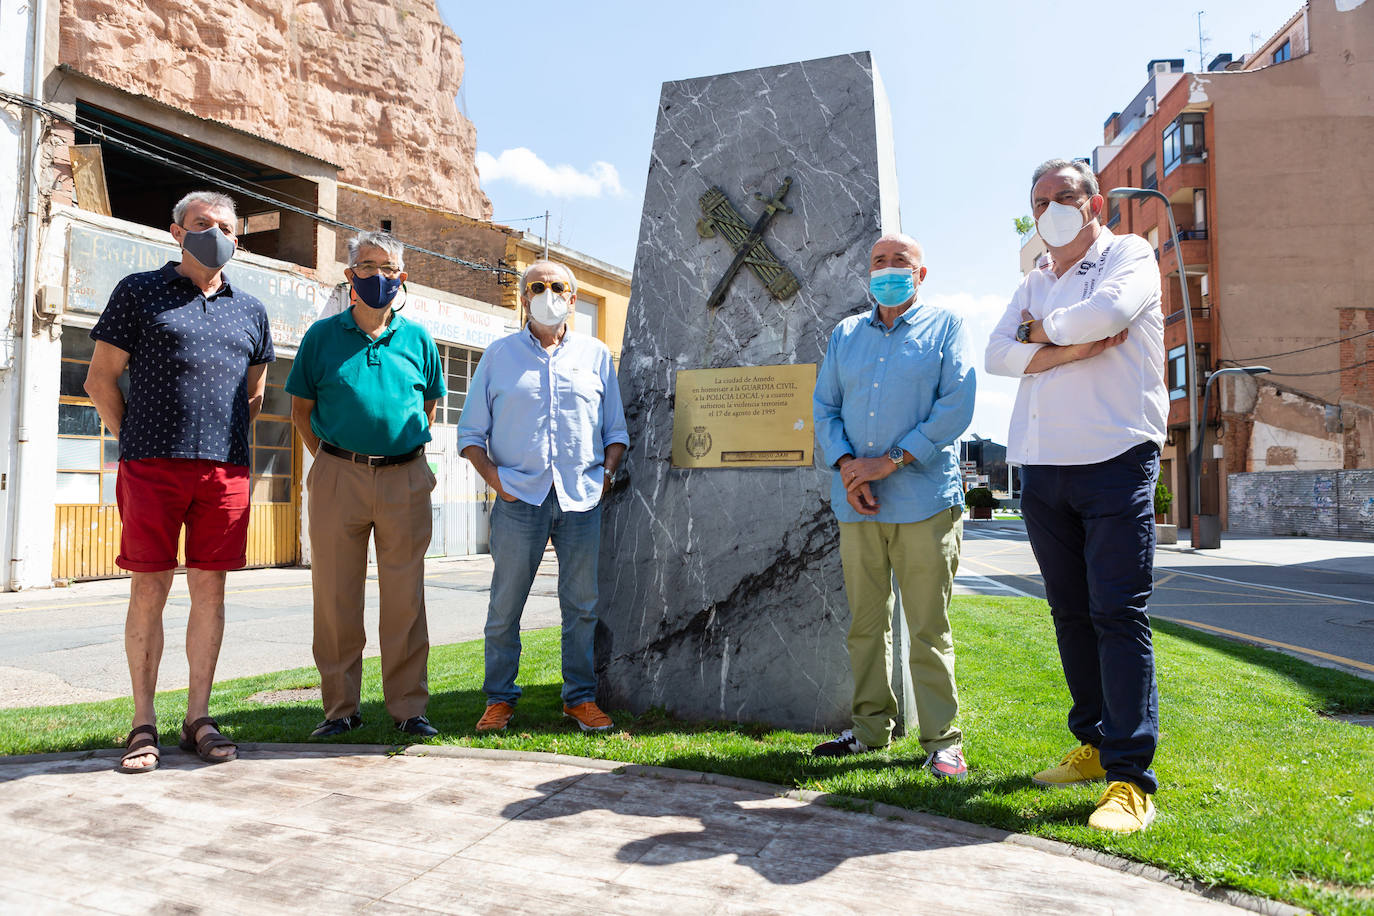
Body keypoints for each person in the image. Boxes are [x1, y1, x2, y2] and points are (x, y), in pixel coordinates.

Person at [984, 158, 1167, 834]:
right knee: (1070, 615)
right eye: (1041, 200)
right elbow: (994, 354)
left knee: (1117, 613)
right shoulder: (1034, 278)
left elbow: (1111, 312)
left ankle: (1130, 781)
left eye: (1066, 195)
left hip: (1114, 456)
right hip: (1041, 466)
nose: (1054, 207)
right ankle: (1092, 746)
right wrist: (1060, 347)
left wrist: (1039, 332)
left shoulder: (1129, 252)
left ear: (1093, 203)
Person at [84, 190, 274, 772]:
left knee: (210, 593)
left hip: (224, 472)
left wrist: (223, 447)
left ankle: (199, 719)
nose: (211, 232)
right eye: (200, 223)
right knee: (149, 589)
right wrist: (134, 442)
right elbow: (100, 381)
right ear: (175, 231)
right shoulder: (138, 292)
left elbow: (255, 394)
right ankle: (143, 723)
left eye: (223, 226)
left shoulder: (252, 310)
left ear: (236, 239)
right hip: (152, 466)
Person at [811, 233, 976, 779]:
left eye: (899, 262)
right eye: (878, 261)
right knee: (865, 623)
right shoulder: (846, 334)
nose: (887, 270)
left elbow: (957, 405)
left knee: (928, 628)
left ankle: (942, 741)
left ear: (920, 275)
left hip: (924, 502)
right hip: (857, 503)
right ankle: (869, 729)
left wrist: (891, 461)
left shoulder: (946, 328)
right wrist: (848, 468)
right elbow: (826, 407)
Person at [457, 260, 628, 734]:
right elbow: (471, 433)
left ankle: (579, 698)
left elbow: (615, 430)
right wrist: (497, 481)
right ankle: (499, 700)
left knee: (582, 607)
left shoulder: (596, 356)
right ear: (523, 297)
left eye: (557, 287)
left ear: (573, 299)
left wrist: (607, 475)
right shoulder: (498, 356)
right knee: (505, 607)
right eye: (536, 286)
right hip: (519, 500)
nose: (547, 292)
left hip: (580, 501)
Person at [286, 231, 444, 739]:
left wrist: (401, 457)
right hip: (338, 475)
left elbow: (429, 406)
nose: (380, 275)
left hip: (405, 477)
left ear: (403, 277)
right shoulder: (321, 336)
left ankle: (408, 709)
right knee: (334, 598)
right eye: (369, 265)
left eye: (389, 267)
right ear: (350, 275)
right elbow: (300, 411)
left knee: (405, 597)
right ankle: (339, 710)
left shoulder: (419, 339)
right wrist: (336, 461)